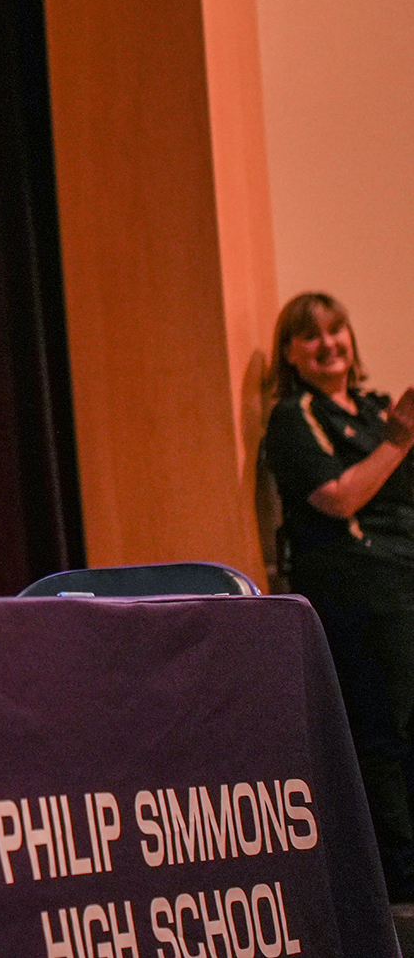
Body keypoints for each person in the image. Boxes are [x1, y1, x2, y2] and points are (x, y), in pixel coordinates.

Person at [260, 292, 414, 899]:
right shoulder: (294, 417)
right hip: (361, 587)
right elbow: (338, 497)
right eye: (311, 336)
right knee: (385, 729)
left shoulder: (378, 410)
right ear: (290, 355)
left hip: (404, 571)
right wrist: (398, 443)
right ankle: (399, 879)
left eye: (336, 330)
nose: (328, 344)